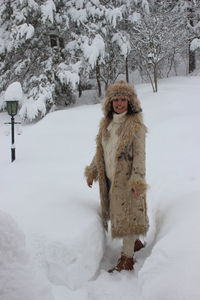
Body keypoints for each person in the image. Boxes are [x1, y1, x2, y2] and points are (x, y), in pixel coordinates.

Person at [85, 80, 148, 272]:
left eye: (123, 100)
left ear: (130, 102)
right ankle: (135, 243)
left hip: (128, 181)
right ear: (110, 103)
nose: (119, 104)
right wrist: (93, 170)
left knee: (127, 218)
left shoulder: (135, 126)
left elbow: (140, 156)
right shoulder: (107, 125)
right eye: (116, 100)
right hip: (111, 180)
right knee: (119, 214)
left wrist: (137, 181)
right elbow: (101, 152)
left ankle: (127, 259)